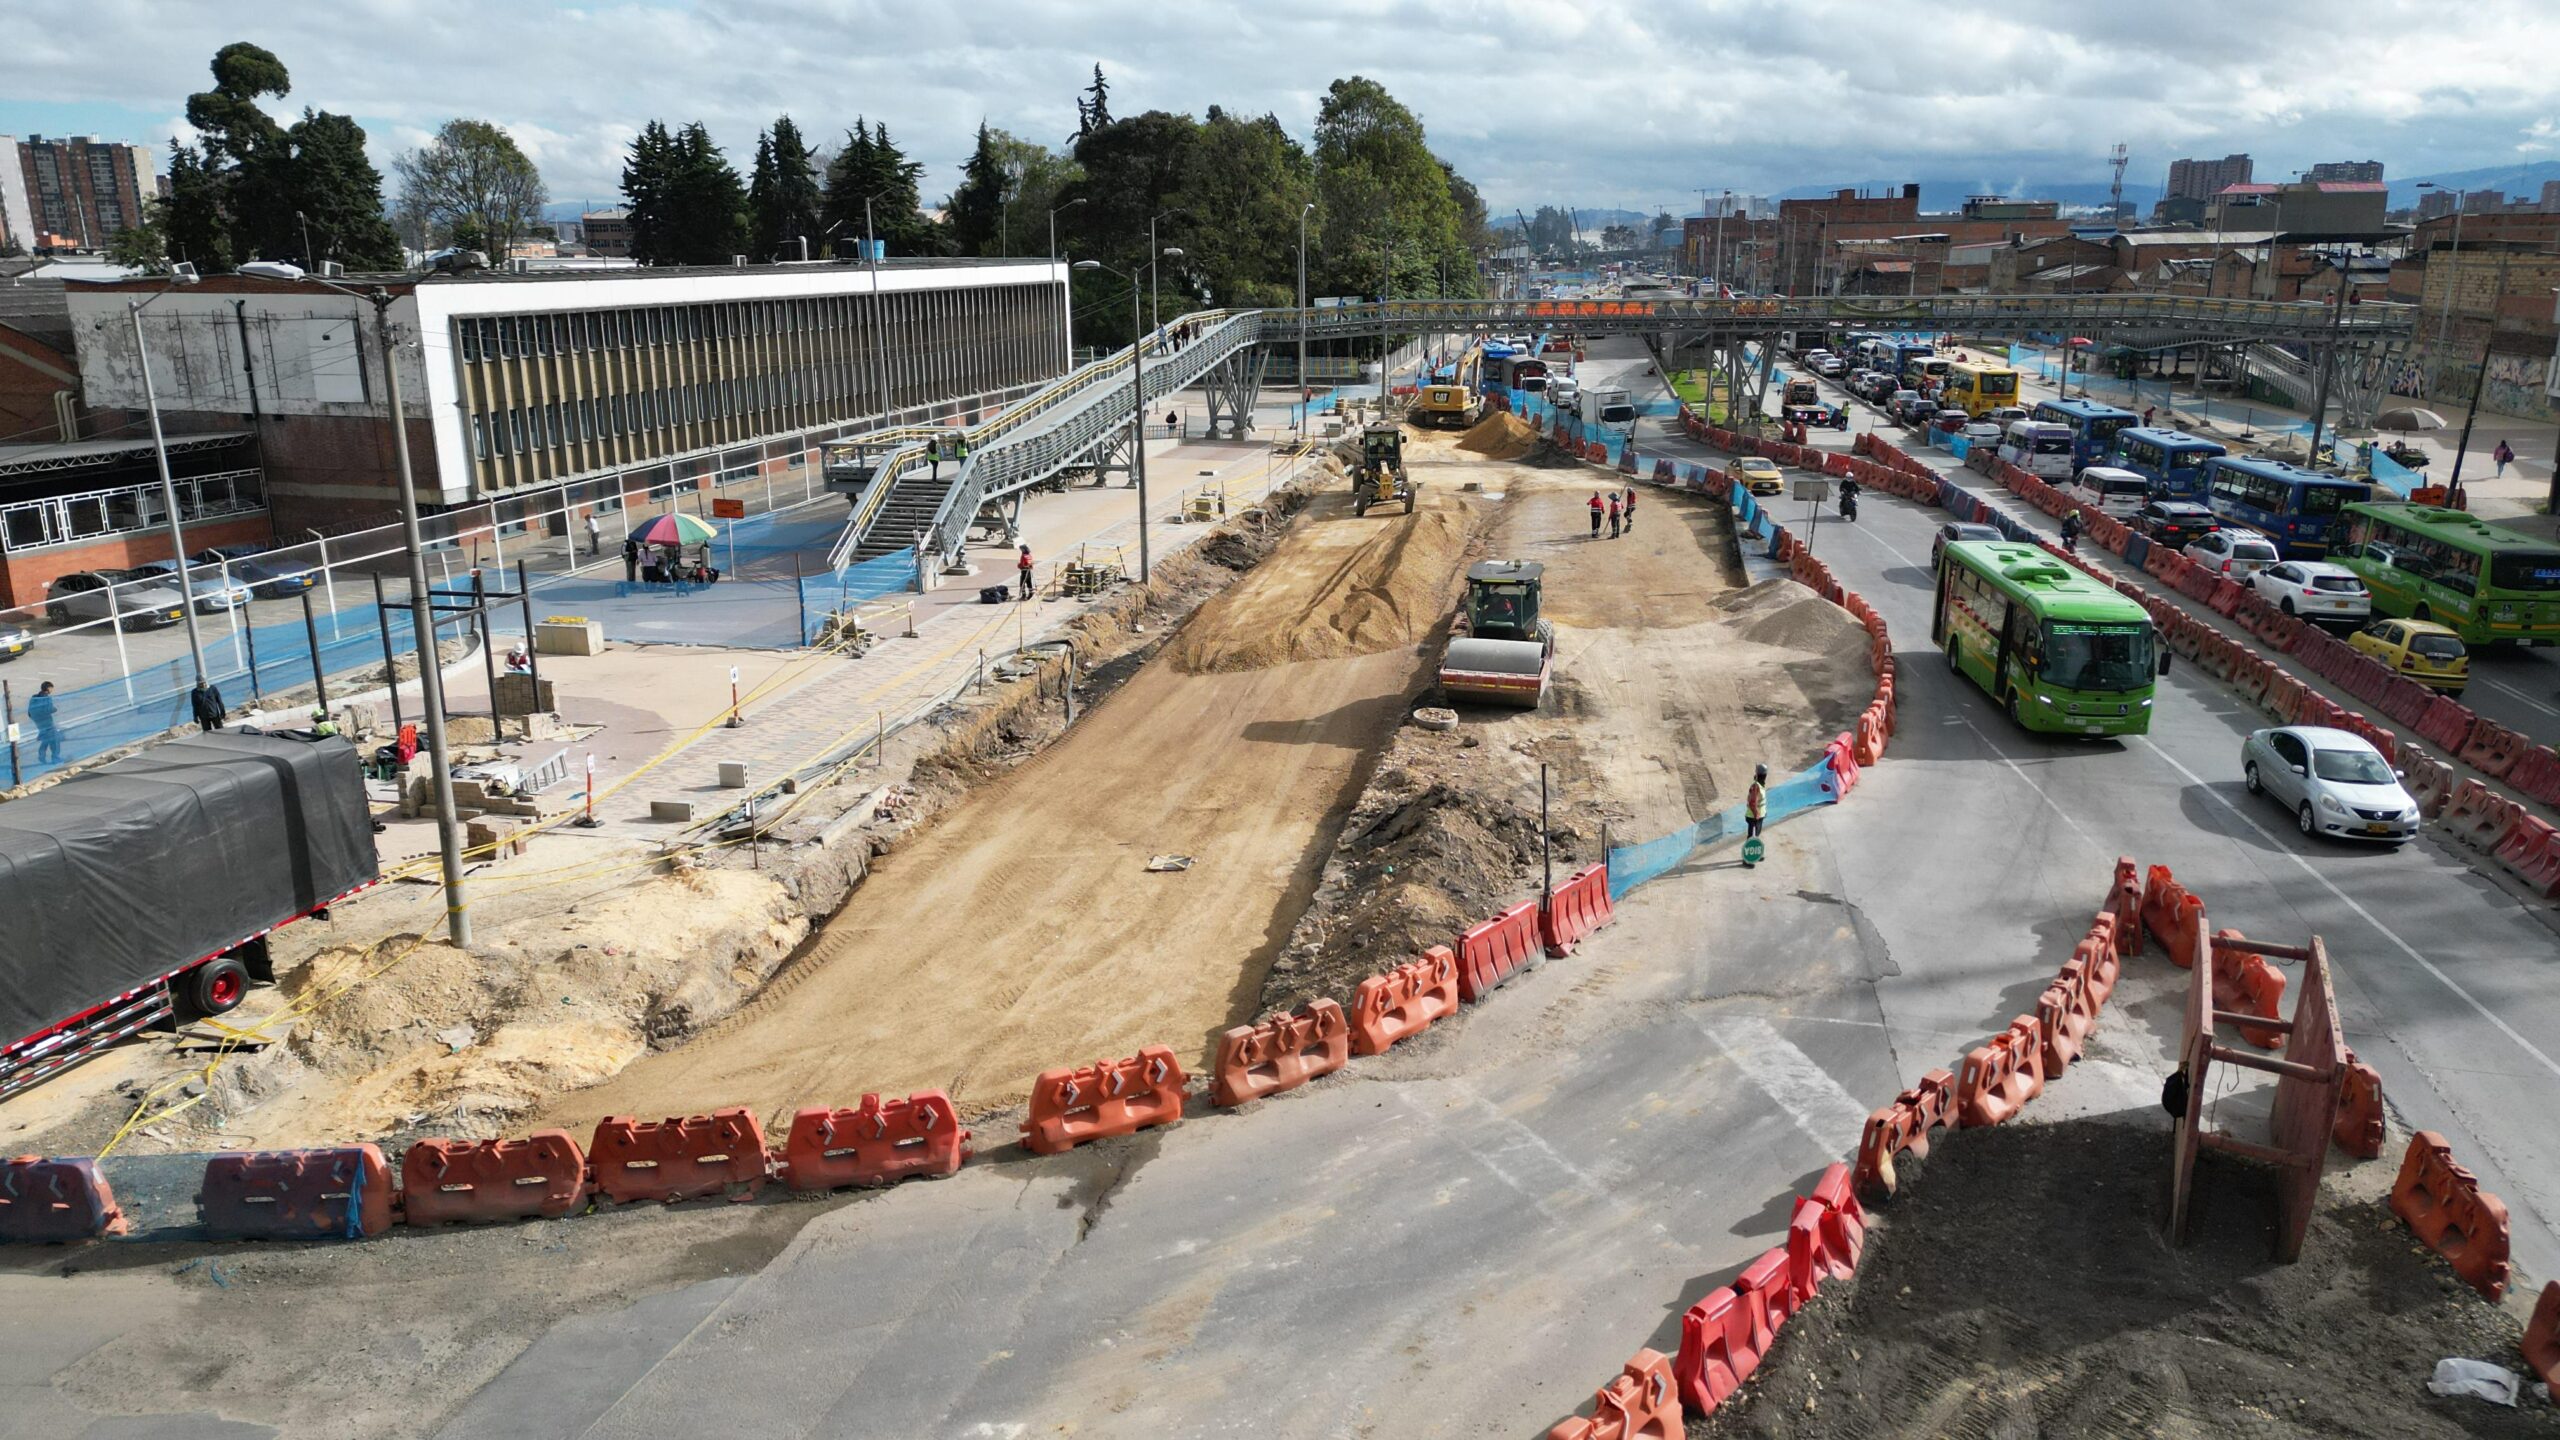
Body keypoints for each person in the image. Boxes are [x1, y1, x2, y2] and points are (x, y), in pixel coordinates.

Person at [27, 679, 60, 765]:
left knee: (46, 739)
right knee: (54, 739)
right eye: (51, 688)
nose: (52, 690)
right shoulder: (47, 698)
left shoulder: (34, 697)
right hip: (47, 722)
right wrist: (55, 709)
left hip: (38, 722)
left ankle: (41, 756)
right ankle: (55, 758)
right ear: (48, 688)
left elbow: (29, 712)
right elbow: (48, 709)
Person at [1743, 764, 1768, 867]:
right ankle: (1747, 859)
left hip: (1759, 816)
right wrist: (1756, 813)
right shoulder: (1756, 786)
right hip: (1753, 816)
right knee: (1751, 837)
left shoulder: (1760, 784)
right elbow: (1752, 802)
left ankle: (1757, 853)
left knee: (1756, 835)